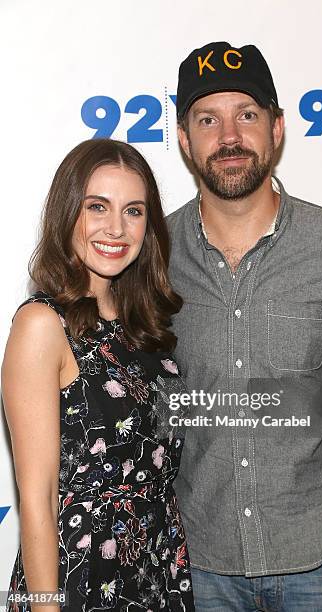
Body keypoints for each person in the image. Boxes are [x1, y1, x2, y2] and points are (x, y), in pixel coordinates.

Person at [166, 41, 322, 611]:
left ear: (277, 128)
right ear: (183, 138)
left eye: (246, 115)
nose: (229, 137)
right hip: (202, 571)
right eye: (208, 119)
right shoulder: (154, 254)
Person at [2, 139, 195, 612]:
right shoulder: (41, 325)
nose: (116, 228)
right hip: (82, 576)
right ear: (68, 212)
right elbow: (40, 499)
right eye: (97, 207)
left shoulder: (147, 327)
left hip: (158, 566)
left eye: (133, 211)